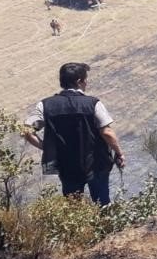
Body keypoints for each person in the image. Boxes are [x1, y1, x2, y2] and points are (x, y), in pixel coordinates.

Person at [22, 62, 126, 205]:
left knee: (74, 208)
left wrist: (46, 147)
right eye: (85, 79)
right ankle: (105, 225)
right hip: (96, 164)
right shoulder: (93, 103)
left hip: (66, 165)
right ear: (79, 81)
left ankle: (79, 227)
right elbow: (107, 132)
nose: (87, 82)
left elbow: (27, 131)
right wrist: (119, 153)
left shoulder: (45, 105)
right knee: (103, 205)